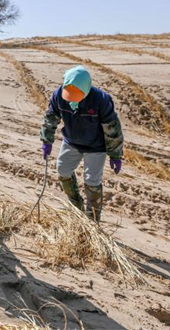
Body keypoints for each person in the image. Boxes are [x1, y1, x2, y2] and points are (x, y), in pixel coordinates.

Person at [39, 65, 124, 222]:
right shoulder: (59, 96)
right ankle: (75, 204)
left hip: (96, 146)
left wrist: (115, 154)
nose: (71, 97)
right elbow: (51, 117)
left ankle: (92, 219)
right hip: (71, 141)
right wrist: (47, 140)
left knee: (92, 181)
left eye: (76, 94)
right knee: (63, 170)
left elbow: (112, 128)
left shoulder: (100, 100)